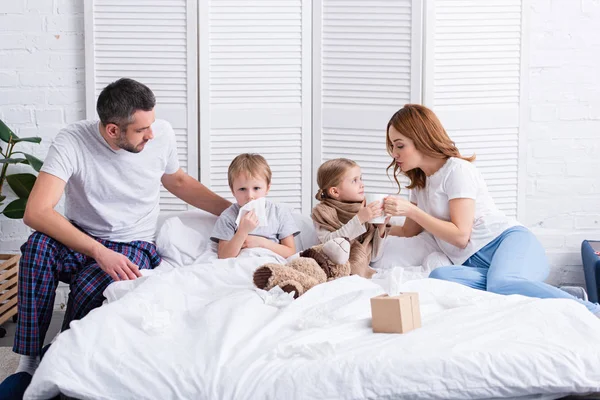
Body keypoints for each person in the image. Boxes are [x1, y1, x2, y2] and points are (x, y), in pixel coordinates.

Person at [0, 78, 231, 398]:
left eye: (151, 125)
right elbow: (36, 212)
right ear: (112, 130)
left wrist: (231, 211)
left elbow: (177, 180)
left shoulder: (160, 133)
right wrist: (97, 250)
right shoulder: (72, 140)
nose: (151, 134)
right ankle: (28, 362)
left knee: (90, 285)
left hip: (133, 243)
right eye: (141, 130)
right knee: (38, 248)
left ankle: (63, 361)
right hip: (82, 237)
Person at [382, 103, 600, 316]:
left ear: (421, 139)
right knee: (440, 276)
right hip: (477, 265)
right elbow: (409, 232)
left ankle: (592, 311)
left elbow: (460, 236)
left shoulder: (457, 171)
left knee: (503, 282)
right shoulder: (421, 184)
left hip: (508, 243)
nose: (394, 153)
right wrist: (377, 225)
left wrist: (411, 211)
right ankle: (554, 293)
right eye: (392, 146)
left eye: (400, 145)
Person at [210, 153, 299, 259]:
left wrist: (261, 242)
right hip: (240, 265)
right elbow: (224, 256)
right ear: (233, 191)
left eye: (256, 188)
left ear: (267, 188)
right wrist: (242, 231)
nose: (250, 196)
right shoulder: (228, 216)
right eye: (242, 189)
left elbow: (291, 252)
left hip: (270, 264)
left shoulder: (279, 212)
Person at [312, 158, 388, 278]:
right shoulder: (323, 213)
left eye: (361, 178)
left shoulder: (364, 209)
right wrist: (359, 219)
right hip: (331, 268)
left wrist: (381, 227)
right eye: (354, 181)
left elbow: (374, 257)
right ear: (335, 191)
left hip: (358, 270)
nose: (362, 184)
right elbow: (328, 244)